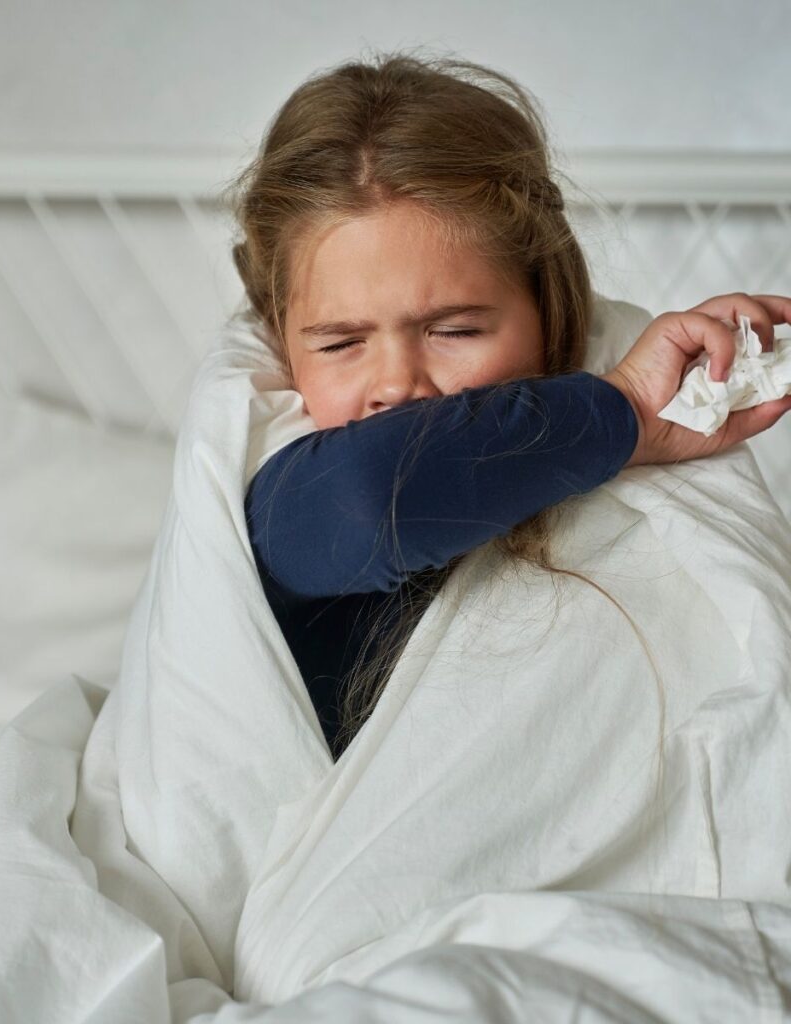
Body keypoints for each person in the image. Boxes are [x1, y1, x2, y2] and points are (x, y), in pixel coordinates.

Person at [226, 51, 791, 761]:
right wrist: (624, 413)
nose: (397, 384)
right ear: (281, 339)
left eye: (455, 331)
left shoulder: (591, 382)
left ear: (550, 310)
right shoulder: (284, 488)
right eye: (342, 343)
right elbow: (369, 499)